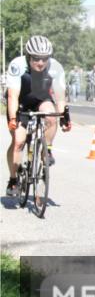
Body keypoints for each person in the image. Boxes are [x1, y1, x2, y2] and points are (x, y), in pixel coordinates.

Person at [6, 36, 72, 197]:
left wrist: (64, 118)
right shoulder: (17, 65)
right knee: (18, 142)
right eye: (36, 58)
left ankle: (46, 150)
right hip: (20, 102)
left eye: (44, 58)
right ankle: (13, 180)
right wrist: (13, 119)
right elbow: (12, 96)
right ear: (28, 56)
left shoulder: (56, 67)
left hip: (41, 99)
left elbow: (60, 97)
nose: (41, 63)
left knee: (51, 115)